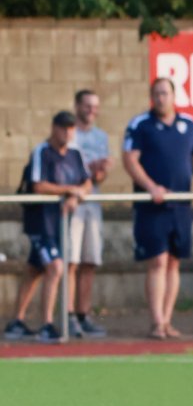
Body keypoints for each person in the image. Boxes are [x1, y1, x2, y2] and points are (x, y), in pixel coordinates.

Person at [122, 78, 193, 339]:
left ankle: (166, 321)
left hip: (181, 206)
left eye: (165, 93)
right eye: (156, 94)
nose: (160, 98)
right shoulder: (140, 125)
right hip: (152, 206)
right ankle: (155, 322)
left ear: (174, 95)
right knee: (158, 261)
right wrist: (151, 187)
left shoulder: (188, 124)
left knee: (173, 263)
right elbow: (130, 161)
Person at [5, 111, 91, 343]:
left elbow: (86, 182)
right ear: (54, 128)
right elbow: (38, 186)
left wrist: (78, 195)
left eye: (71, 128)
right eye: (63, 127)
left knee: (35, 270)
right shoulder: (42, 152)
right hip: (40, 223)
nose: (67, 132)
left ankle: (17, 321)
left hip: (61, 224)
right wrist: (68, 191)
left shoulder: (75, 153)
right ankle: (47, 324)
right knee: (55, 268)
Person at [67, 89, 110, 337]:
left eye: (95, 106)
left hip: (92, 202)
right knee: (71, 261)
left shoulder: (101, 137)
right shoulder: (70, 135)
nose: (91, 111)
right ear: (77, 106)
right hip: (74, 203)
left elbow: (100, 175)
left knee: (89, 261)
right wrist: (88, 170)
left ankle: (84, 314)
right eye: (87, 106)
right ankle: (69, 314)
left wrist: (97, 171)